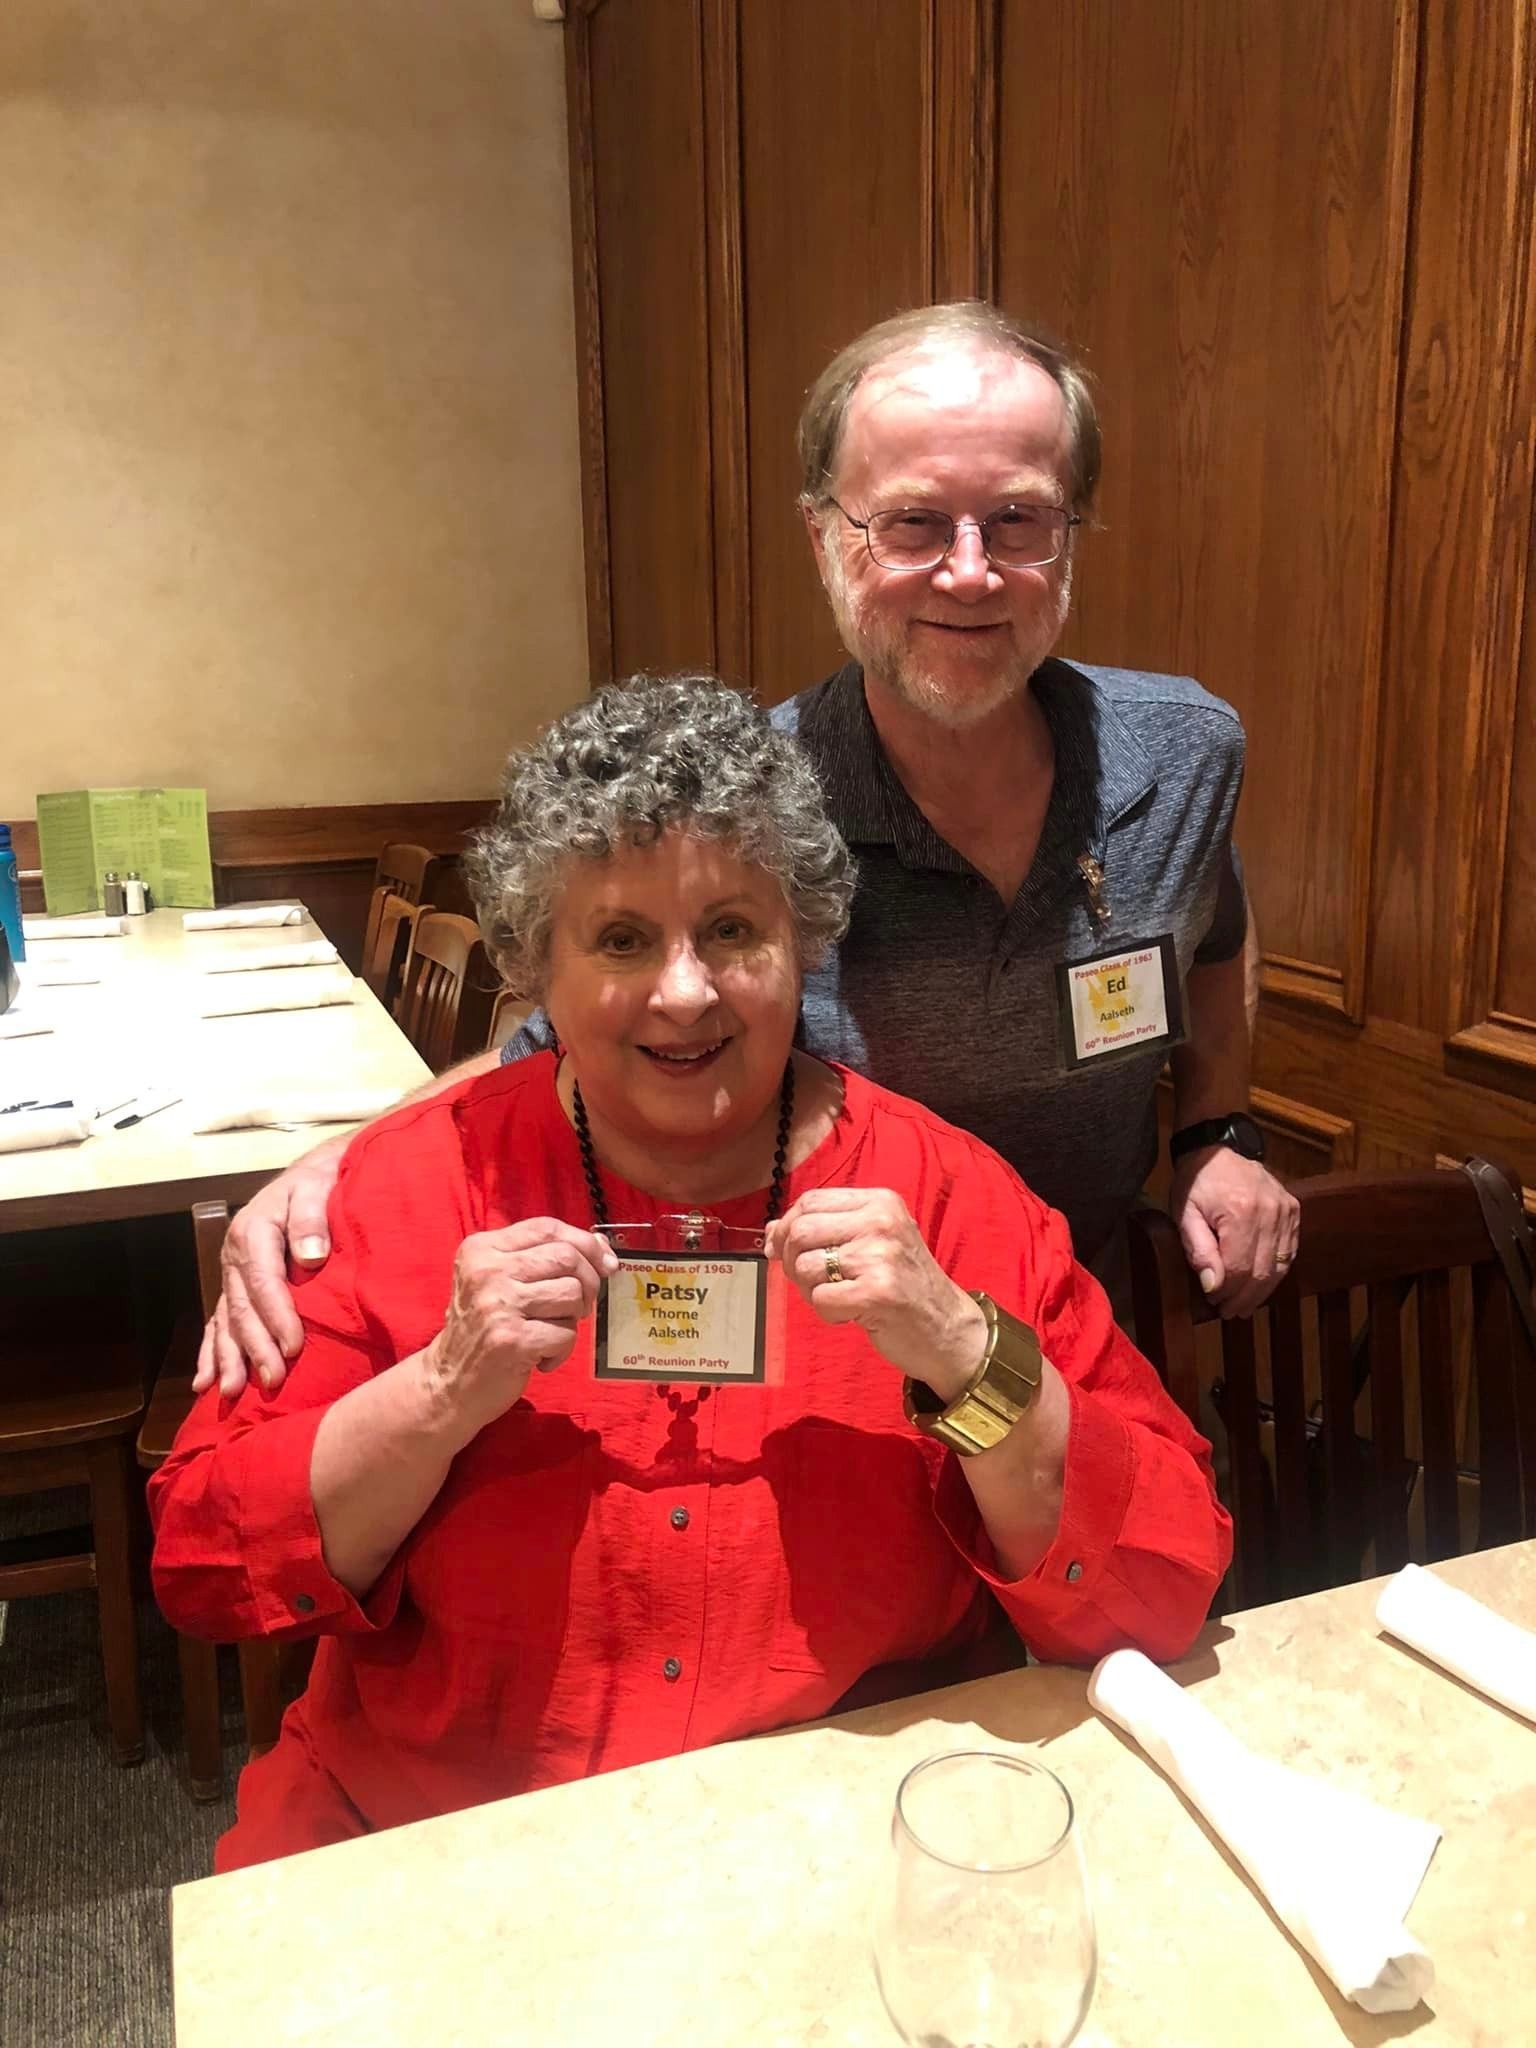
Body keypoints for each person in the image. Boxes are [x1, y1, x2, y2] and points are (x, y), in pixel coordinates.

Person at [150, 677, 1230, 1869]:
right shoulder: (403, 1189)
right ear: (537, 966)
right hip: (448, 1851)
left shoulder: (948, 1201)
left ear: (803, 940)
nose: (684, 991)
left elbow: (1164, 1586)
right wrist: (439, 1392)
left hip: (839, 1845)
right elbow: (206, 1565)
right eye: (621, 939)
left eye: (732, 930)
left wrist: (969, 1358)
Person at [196, 300, 1297, 1400]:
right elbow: (563, 1038)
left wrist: (1217, 1129)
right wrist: (331, 1167)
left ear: (1071, 535)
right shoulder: (747, 809)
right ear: (824, 539)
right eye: (912, 523)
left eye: (1017, 519)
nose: (969, 572)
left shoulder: (1184, 755)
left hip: (1085, 1326)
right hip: (833, 1363)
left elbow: (1212, 942)